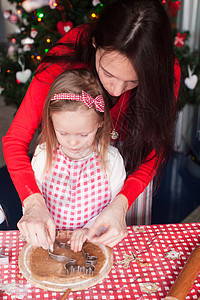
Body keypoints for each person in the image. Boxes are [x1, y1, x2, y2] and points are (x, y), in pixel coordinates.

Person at [3, 0, 181, 250]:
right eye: (108, 73)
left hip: (131, 170)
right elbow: (15, 140)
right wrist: (33, 204)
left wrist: (120, 203)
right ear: (96, 44)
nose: (116, 90)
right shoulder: (67, 54)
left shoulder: (166, 72)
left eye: (133, 81)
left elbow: (154, 150)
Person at [17, 69, 126, 252]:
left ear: (100, 122)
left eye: (84, 134)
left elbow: (114, 211)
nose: (73, 142)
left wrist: (90, 230)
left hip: (94, 244)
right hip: (49, 244)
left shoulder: (111, 161)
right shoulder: (43, 155)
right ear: (51, 123)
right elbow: (32, 205)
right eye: (63, 133)